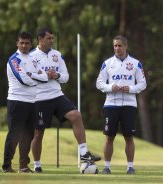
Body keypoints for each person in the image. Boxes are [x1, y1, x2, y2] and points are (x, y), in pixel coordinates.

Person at [30, 27, 101, 173]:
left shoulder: (57, 55)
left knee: (76, 115)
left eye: (52, 38)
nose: (52, 41)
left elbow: (66, 76)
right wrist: (45, 75)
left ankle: (84, 153)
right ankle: (37, 165)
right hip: (39, 98)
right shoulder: (31, 56)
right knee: (38, 133)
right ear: (40, 39)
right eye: (49, 38)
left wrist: (56, 76)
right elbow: (29, 77)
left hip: (57, 95)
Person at [96, 35, 147, 174]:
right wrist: (110, 87)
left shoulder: (136, 64)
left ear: (126, 46)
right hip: (111, 104)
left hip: (129, 105)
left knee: (129, 137)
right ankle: (107, 166)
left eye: (120, 45)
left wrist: (130, 89)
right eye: (115, 46)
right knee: (109, 137)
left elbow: (143, 83)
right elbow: (99, 83)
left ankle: (130, 167)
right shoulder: (107, 63)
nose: (117, 48)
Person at [2, 31, 48, 173]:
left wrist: (32, 75)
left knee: (28, 135)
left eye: (27, 43)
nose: (24, 45)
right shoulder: (14, 59)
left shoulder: (33, 59)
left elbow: (45, 77)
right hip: (17, 101)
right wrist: (35, 78)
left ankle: (23, 166)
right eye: (21, 42)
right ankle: (7, 165)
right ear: (17, 43)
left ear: (31, 44)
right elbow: (23, 79)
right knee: (14, 134)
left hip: (32, 102)